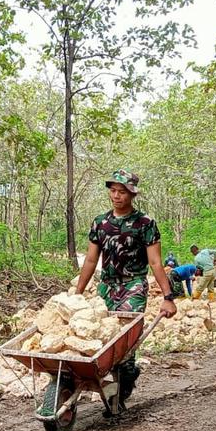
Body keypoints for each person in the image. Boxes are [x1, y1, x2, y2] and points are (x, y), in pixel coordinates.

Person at [72, 170, 177, 410]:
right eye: (113, 191)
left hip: (133, 286)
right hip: (107, 286)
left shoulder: (145, 224)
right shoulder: (100, 222)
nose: (116, 196)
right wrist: (77, 293)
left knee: (126, 342)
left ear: (132, 194)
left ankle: (125, 381)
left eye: (122, 192)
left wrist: (168, 297)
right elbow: (90, 260)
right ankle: (105, 384)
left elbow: (155, 263)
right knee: (100, 338)